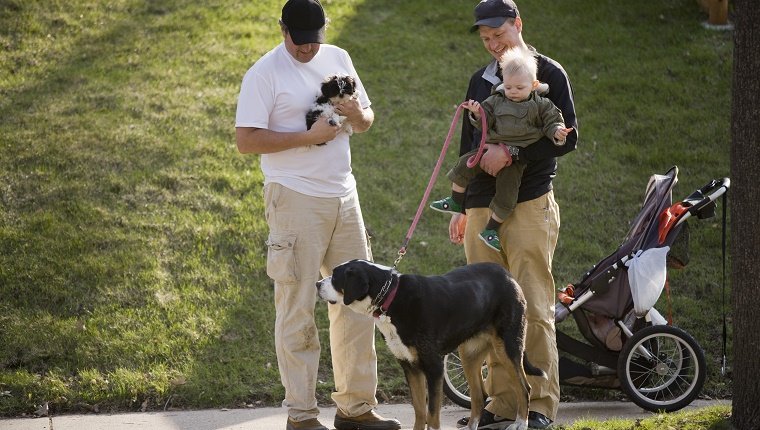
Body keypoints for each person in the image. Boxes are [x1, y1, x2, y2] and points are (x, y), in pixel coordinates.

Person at [234, 1, 401, 430]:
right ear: (283, 30)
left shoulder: (338, 57)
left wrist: (355, 114)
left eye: (315, 39)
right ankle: (302, 416)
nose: (309, 49)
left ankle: (356, 410)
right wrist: (308, 137)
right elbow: (246, 140)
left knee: (359, 303)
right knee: (296, 307)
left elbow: (366, 119)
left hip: (344, 195)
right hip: (294, 199)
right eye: (300, 40)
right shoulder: (264, 73)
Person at [448, 0, 578, 429]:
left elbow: (567, 139)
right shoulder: (480, 80)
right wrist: (463, 205)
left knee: (533, 304)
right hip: (482, 207)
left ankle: (539, 406)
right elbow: (468, 146)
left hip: (529, 203)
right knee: (485, 309)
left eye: (498, 34)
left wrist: (513, 151)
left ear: (518, 24)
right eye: (485, 38)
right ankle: (503, 404)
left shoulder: (550, 74)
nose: (492, 44)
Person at [430, 46, 572, 252]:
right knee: (465, 164)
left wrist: (557, 130)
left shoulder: (541, 105)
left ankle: (491, 229)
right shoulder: (496, 100)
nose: (513, 92)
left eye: (519, 88)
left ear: (533, 85)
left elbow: (552, 122)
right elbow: (482, 122)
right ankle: (455, 200)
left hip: (516, 158)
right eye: (508, 86)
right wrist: (477, 113)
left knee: (507, 193)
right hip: (489, 148)